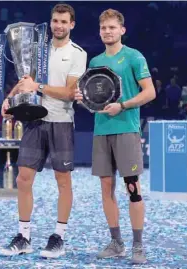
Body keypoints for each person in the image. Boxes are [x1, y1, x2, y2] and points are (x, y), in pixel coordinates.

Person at [0, 3, 87, 258]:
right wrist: (10, 99)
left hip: (61, 121)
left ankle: (58, 237)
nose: (58, 25)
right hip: (34, 121)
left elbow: (71, 92)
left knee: (63, 181)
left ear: (72, 25)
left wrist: (38, 87)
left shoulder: (77, 53)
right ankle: (24, 236)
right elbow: (24, 80)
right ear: (50, 23)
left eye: (63, 21)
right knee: (23, 179)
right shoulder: (38, 51)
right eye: (55, 21)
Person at [75, 9, 155, 264]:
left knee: (132, 189)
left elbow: (150, 92)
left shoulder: (133, 57)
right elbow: (95, 100)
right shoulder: (95, 63)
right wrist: (82, 99)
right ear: (99, 32)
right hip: (101, 131)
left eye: (112, 27)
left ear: (122, 30)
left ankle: (138, 246)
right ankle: (116, 242)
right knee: (106, 189)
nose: (107, 31)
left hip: (127, 129)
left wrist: (123, 105)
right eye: (103, 28)